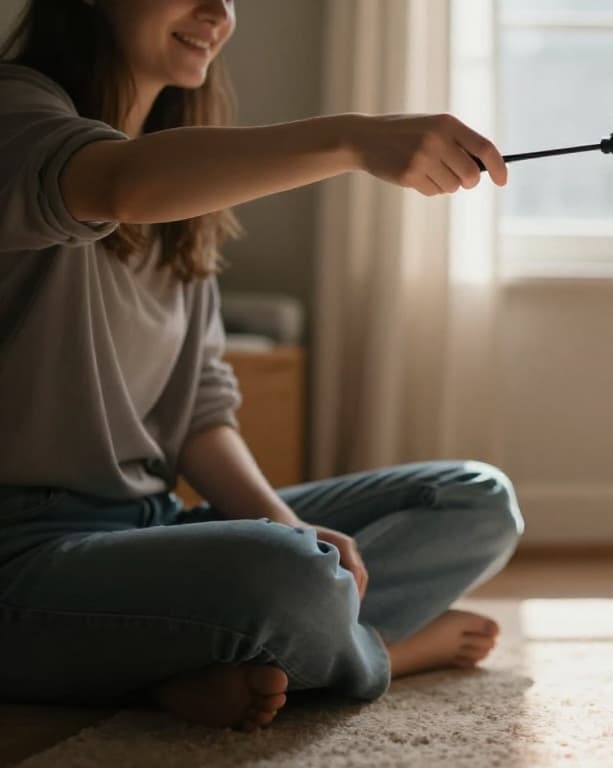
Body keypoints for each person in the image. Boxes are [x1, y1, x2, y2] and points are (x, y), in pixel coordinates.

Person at [0, 0, 522, 730]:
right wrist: (353, 139)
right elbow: (115, 184)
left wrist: (287, 524)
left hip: (145, 529)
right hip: (19, 553)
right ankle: (378, 655)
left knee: (475, 500)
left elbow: (201, 416)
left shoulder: (184, 182)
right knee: (285, 579)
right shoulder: (17, 108)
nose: (217, 12)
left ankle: (192, 659)